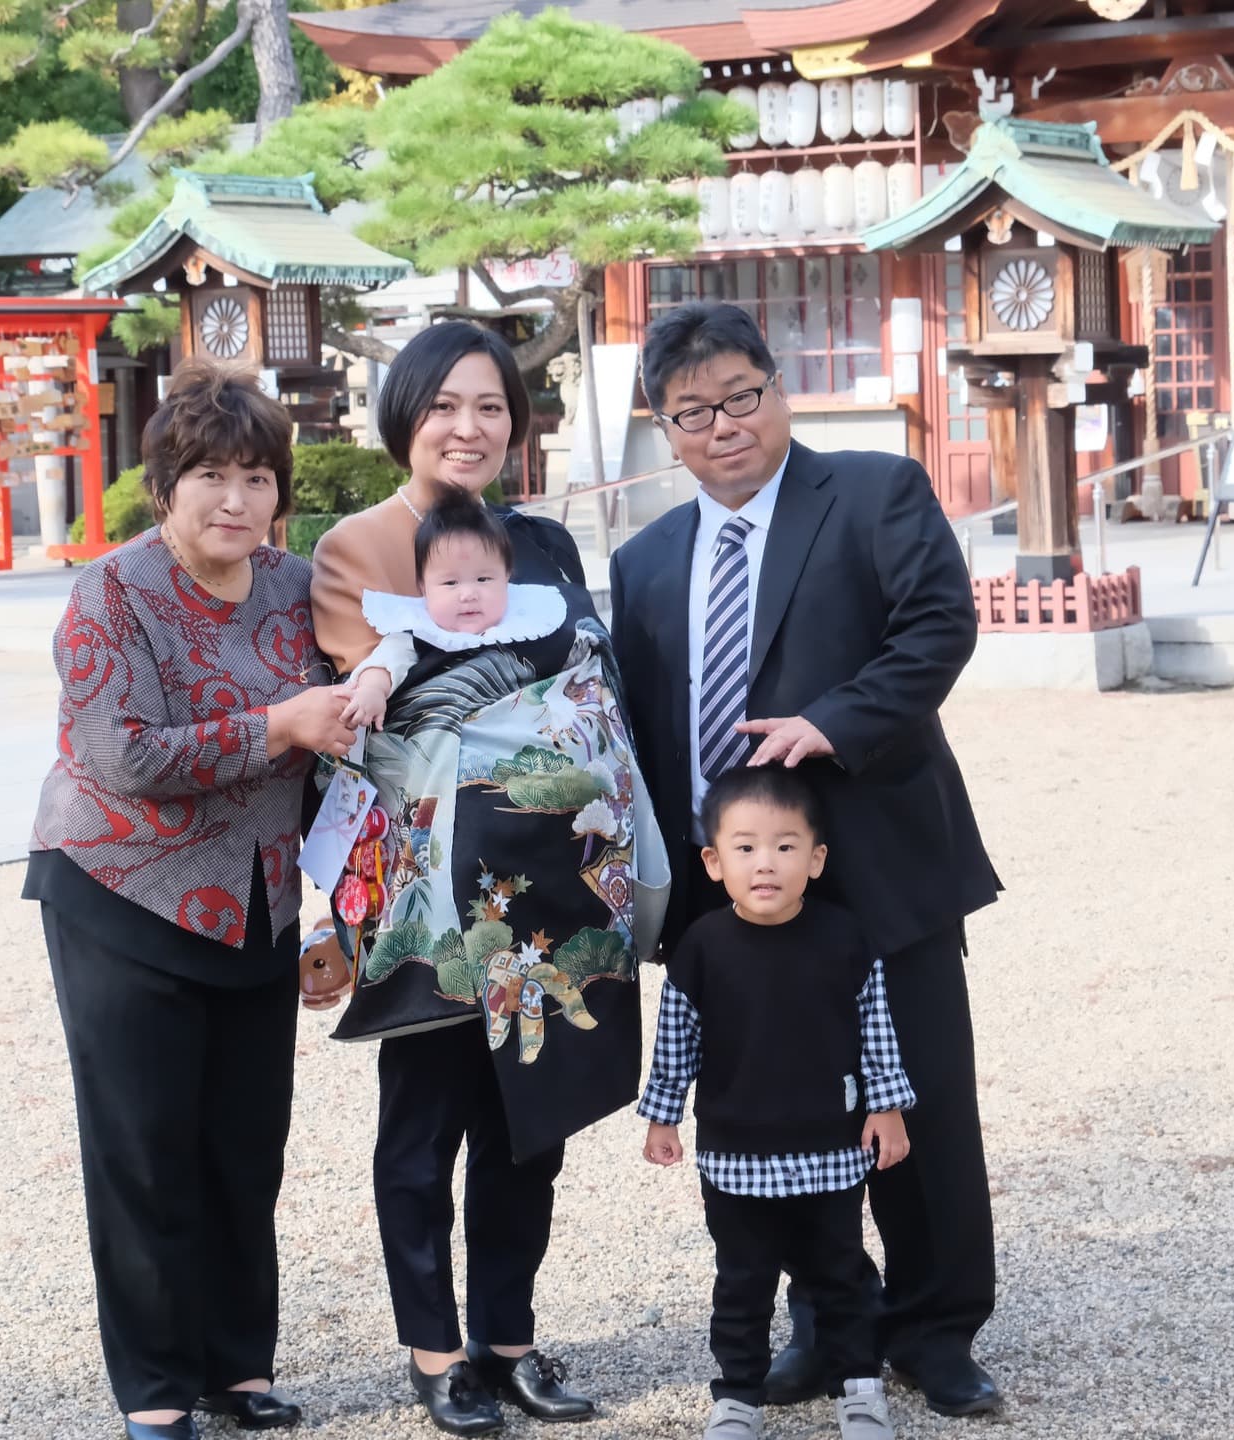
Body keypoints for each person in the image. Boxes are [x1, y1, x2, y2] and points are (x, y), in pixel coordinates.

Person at [609, 302, 1003, 1417]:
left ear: (778, 390)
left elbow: (937, 627)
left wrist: (832, 721)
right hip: (738, 903)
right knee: (779, 1118)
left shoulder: (874, 493)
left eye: (741, 396)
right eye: (692, 412)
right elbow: (640, 724)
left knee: (918, 1101)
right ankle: (827, 1325)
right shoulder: (644, 563)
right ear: (665, 427)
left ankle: (936, 1327)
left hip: (878, 860)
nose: (722, 425)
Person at [312, 321, 666, 1437]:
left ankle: (507, 1337)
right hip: (427, 893)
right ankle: (433, 1351)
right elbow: (383, 724)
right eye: (446, 405)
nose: (469, 429)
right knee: (423, 1126)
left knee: (534, 1122)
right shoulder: (358, 549)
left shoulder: (543, 546)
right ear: (404, 413)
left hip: (550, 897)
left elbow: (594, 688)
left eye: (492, 408)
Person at [24, 359, 357, 1440]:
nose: (235, 501)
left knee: (243, 1146)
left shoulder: (297, 588)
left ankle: (236, 1368)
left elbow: (354, 747)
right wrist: (281, 727)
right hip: (121, 894)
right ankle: (158, 1390)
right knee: (145, 1147)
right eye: (209, 474)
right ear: (162, 486)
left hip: (255, 909)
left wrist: (341, 909)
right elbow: (122, 756)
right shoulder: (109, 592)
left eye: (257, 477)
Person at [640, 765, 914, 1440]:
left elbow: (876, 1030)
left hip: (830, 1150)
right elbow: (676, 1039)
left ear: (816, 859)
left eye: (786, 846)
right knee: (742, 1282)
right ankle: (737, 1397)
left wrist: (887, 1107)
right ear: (713, 860)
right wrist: (662, 1113)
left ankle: (858, 1387)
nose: (766, 864)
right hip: (736, 1155)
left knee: (841, 1275)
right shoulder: (701, 950)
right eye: (746, 847)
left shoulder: (845, 941)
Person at [340, 486, 567, 732]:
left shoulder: (527, 620)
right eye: (450, 583)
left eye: (484, 579)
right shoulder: (419, 631)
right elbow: (385, 663)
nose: (468, 594)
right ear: (423, 588)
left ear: (507, 577)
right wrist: (372, 690)